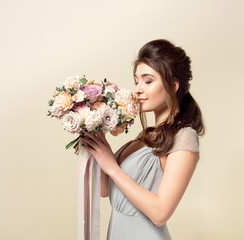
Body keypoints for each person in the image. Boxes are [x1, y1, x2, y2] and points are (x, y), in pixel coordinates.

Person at [81, 39, 205, 240]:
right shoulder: (147, 135)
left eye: (147, 81)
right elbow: (106, 191)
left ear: (173, 85)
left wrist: (111, 166)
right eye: (136, 80)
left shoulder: (184, 137)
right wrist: (95, 137)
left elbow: (160, 214)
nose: (138, 89)